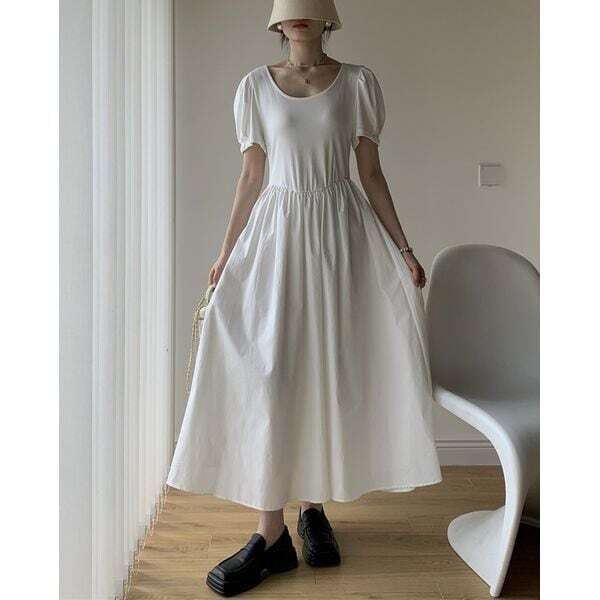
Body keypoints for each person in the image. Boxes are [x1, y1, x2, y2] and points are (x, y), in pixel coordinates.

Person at [166, 0, 442, 595]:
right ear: (277, 21)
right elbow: (251, 175)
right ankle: (270, 534)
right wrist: (224, 254)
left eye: (308, 6)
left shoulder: (358, 83)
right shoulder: (254, 88)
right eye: (287, 8)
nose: (296, 14)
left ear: (326, 18)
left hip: (342, 235)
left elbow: (370, 172)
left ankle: (313, 509)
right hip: (278, 234)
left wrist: (404, 248)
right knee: (271, 371)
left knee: (326, 370)